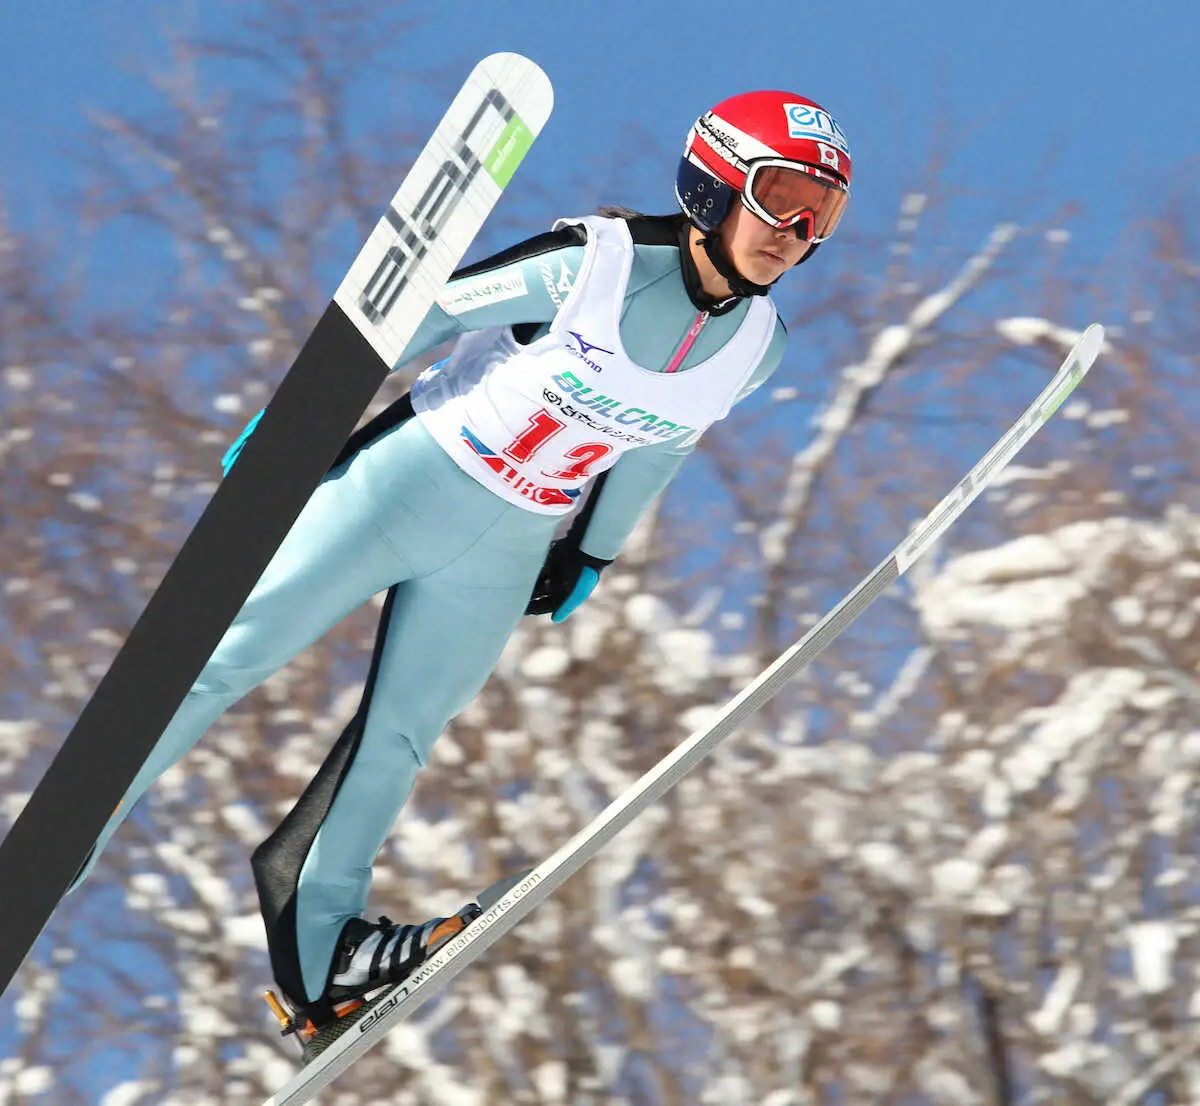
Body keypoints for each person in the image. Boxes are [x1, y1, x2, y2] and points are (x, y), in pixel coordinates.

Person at [74, 89, 852, 1055]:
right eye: (781, 195)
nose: (798, 230)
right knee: (220, 662)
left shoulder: (757, 349)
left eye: (823, 212)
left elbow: (659, 448)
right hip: (405, 481)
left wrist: (593, 552)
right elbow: (426, 313)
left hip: (508, 541)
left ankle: (323, 958)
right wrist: (303, 420)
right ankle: (65, 841)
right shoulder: (596, 263)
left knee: (402, 735)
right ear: (715, 181)